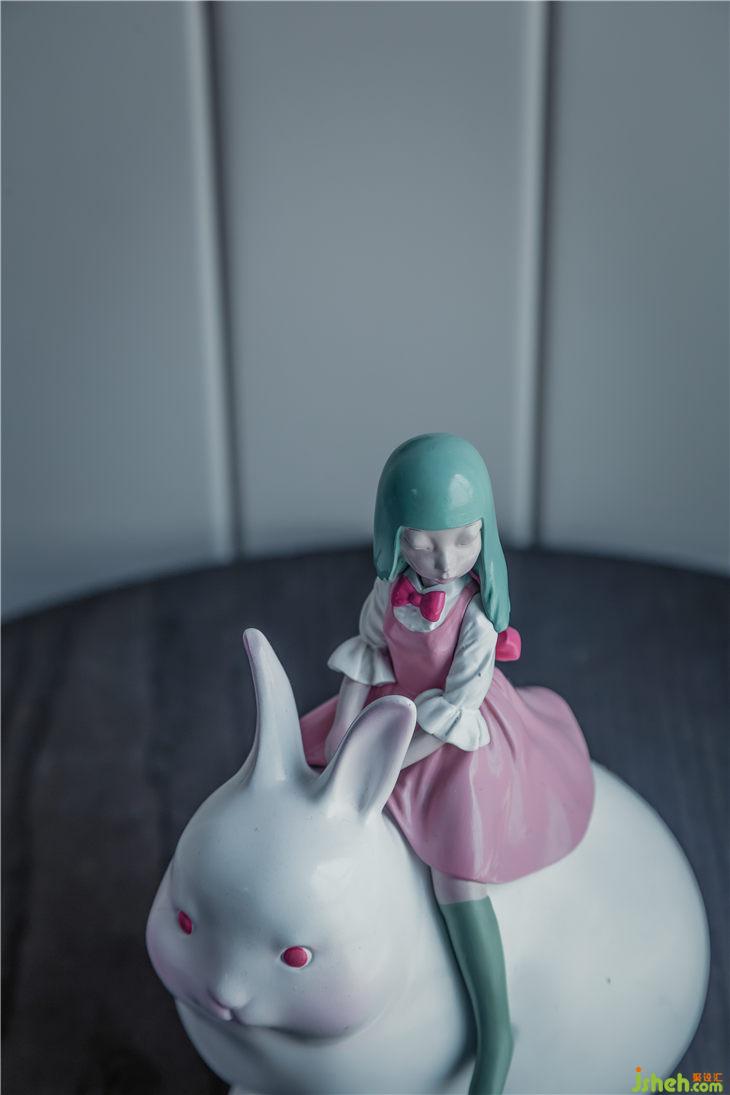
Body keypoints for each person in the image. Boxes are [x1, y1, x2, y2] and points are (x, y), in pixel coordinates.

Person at [301, 433, 595, 1095]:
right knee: (304, 773)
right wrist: (345, 735)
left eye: (464, 540)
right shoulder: (388, 593)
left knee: (457, 877)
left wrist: (385, 763)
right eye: (425, 542)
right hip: (389, 713)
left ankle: (496, 1031)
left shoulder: (475, 622)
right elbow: (367, 660)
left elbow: (454, 713)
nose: (445, 560)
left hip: (454, 743)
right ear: (394, 534)